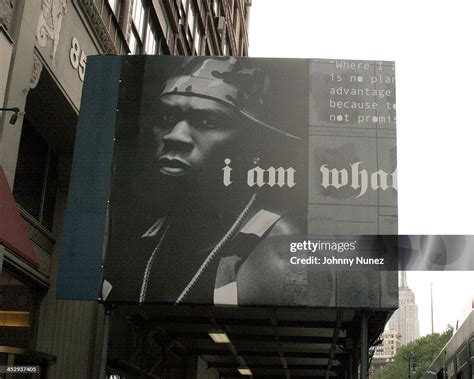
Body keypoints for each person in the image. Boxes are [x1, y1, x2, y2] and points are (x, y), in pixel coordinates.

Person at [105, 57, 332, 306]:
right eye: (168, 118)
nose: (174, 136)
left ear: (253, 145)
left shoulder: (276, 250)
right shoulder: (144, 238)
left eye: (207, 122)